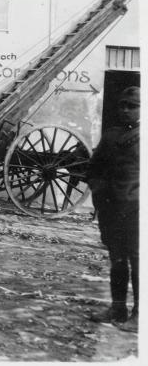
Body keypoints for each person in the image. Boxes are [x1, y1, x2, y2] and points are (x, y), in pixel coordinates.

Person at [86, 86, 139, 332]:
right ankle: (118, 308)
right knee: (117, 260)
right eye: (123, 105)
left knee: (139, 262)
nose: (126, 110)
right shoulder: (110, 136)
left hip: (138, 212)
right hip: (112, 210)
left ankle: (140, 314)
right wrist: (98, 191)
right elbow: (94, 169)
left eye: (133, 106)